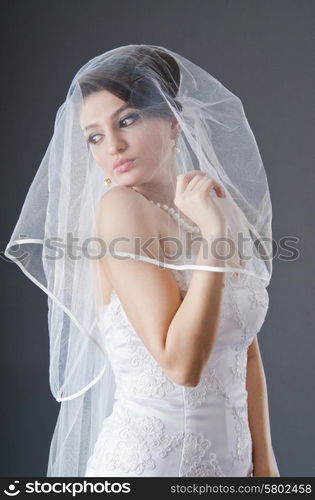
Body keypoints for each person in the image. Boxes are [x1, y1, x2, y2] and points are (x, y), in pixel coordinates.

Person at [5, 44, 279, 477]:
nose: (112, 145)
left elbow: (244, 350)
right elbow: (181, 365)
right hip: (155, 467)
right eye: (94, 136)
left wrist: (265, 468)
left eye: (127, 120)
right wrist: (213, 241)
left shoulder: (213, 209)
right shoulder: (121, 209)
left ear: (172, 122)